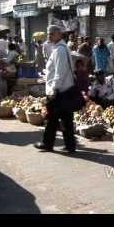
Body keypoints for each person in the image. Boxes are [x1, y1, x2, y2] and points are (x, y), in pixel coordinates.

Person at [34, 25, 77, 153]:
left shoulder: (60, 50)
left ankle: (48, 144)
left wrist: (53, 90)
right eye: (48, 33)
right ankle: (70, 145)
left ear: (59, 34)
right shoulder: (59, 48)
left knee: (52, 119)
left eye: (51, 33)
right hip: (63, 90)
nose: (49, 36)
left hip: (59, 91)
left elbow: (60, 73)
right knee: (65, 119)